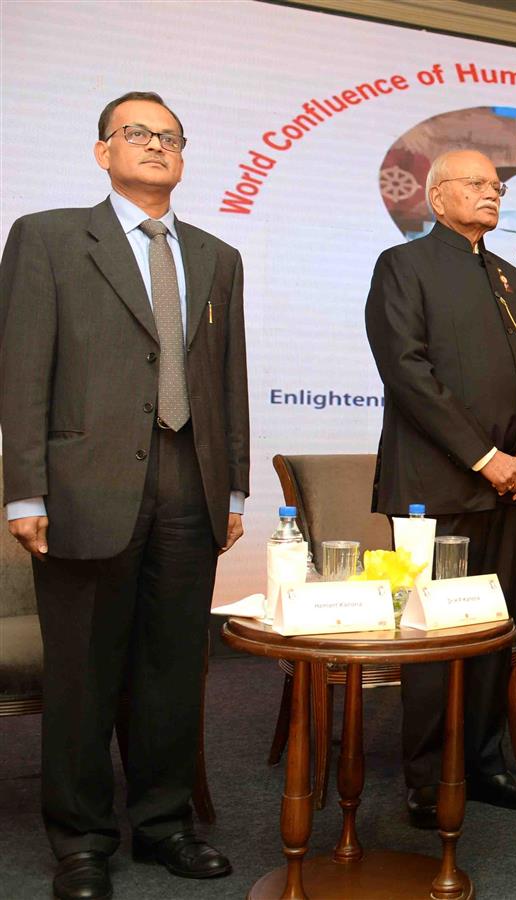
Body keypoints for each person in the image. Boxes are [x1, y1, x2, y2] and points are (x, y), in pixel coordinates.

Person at [0, 91, 247, 900]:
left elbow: (226, 381)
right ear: (102, 151)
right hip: (83, 483)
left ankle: (165, 825)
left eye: (169, 136)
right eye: (136, 133)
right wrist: (23, 492)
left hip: (190, 479)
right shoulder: (48, 238)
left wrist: (234, 483)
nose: (155, 145)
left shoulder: (217, 254)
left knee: (174, 667)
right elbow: (23, 370)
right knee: (82, 670)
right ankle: (80, 841)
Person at [365, 149, 516, 820]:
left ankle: (480, 762)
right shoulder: (404, 266)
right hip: (437, 489)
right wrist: (487, 456)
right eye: (476, 184)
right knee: (431, 636)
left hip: (515, 489)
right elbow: (407, 370)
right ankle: (426, 776)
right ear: (437, 196)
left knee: (489, 632)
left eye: (497, 186)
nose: (492, 193)